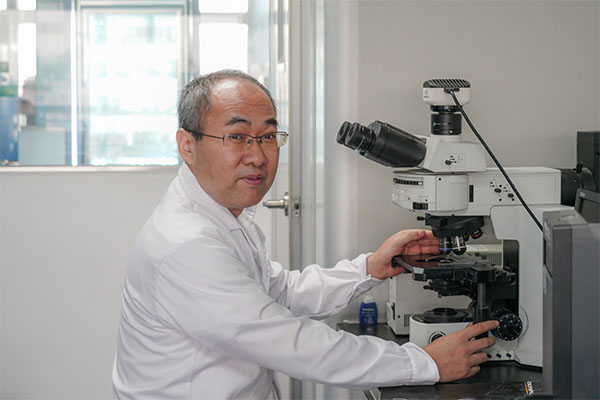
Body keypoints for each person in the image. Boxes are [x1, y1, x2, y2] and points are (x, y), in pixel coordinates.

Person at [112, 69, 498, 399]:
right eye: (237, 137)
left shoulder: (219, 215)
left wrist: (368, 268)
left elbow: (277, 293)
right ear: (187, 145)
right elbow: (291, 344)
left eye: (268, 136)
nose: (257, 156)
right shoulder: (189, 244)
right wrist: (423, 363)